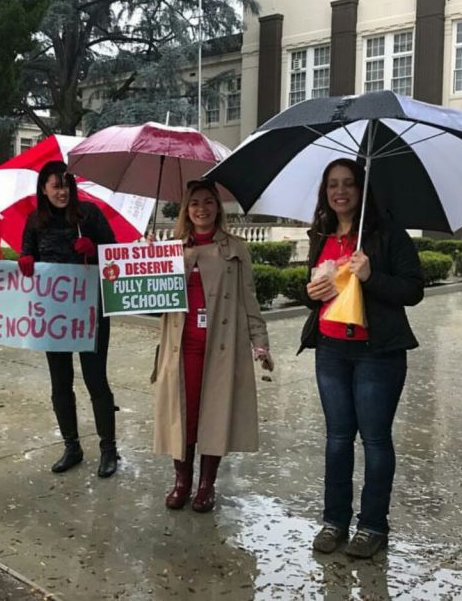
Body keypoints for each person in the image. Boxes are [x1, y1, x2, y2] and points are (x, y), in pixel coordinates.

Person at [300, 158, 424, 559]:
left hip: (378, 353)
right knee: (337, 440)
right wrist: (311, 293)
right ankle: (334, 520)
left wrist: (371, 276)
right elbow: (315, 291)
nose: (340, 191)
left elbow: (412, 290)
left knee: (374, 440)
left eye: (349, 184)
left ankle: (372, 526)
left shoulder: (388, 234)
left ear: (362, 189)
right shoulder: (322, 236)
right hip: (331, 350)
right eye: (333, 184)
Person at [152, 178, 273, 513]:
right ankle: (182, 481)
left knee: (215, 416)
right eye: (194, 203)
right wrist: (145, 263)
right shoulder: (171, 248)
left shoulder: (235, 248)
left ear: (217, 208)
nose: (201, 209)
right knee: (183, 415)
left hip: (221, 348)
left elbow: (250, 299)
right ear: (185, 210)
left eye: (208, 202)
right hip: (182, 348)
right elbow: (150, 300)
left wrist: (260, 343)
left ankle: (206, 485)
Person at [19, 160, 120, 478]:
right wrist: (25, 260)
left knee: (95, 379)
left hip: (90, 311)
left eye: (66, 185)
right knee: (60, 382)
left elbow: (115, 255)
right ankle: (72, 446)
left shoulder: (89, 215)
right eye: (55, 186)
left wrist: (96, 248)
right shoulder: (35, 221)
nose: (62, 192)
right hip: (54, 315)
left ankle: (108, 449)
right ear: (44, 189)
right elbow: (28, 255)